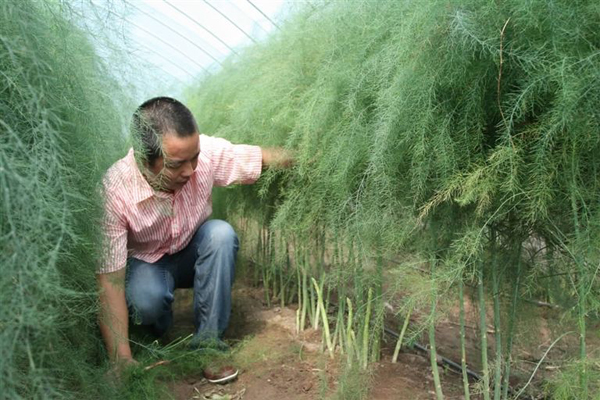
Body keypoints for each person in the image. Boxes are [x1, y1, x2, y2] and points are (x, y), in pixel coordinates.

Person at [96, 97, 291, 383]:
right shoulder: (113, 192)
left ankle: (208, 344)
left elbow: (257, 157)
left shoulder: (203, 156)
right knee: (147, 302)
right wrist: (121, 358)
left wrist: (311, 154)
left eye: (195, 157)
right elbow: (109, 281)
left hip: (191, 250)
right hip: (146, 263)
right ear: (143, 159)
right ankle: (157, 328)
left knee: (220, 234)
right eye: (176, 165)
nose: (190, 170)